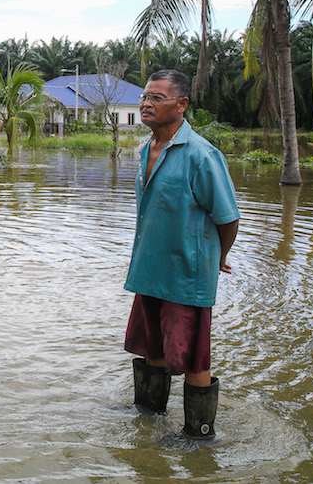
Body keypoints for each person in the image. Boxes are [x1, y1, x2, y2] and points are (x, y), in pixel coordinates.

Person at [124, 69, 239, 442]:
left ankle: (198, 433)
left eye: (157, 97)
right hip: (150, 267)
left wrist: (217, 257)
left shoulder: (202, 155)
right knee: (152, 347)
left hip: (187, 271)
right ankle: (149, 412)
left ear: (181, 104)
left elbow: (228, 217)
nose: (146, 103)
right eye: (145, 96)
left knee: (192, 356)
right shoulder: (144, 149)